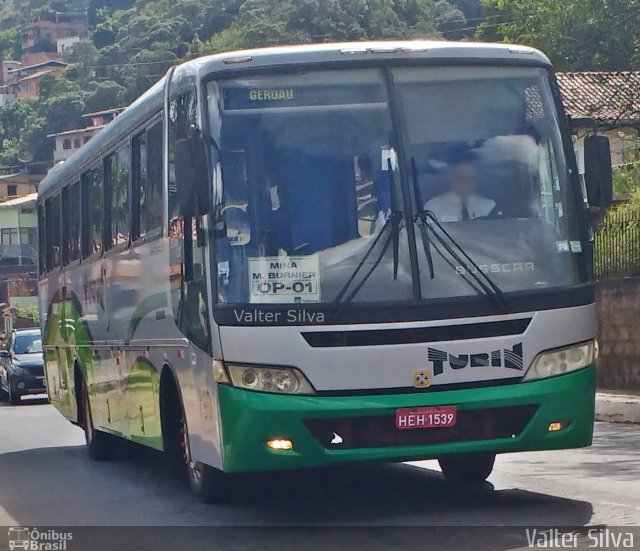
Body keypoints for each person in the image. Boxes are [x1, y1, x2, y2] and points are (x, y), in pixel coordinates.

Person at [425, 153, 496, 222]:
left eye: (470, 178)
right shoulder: (434, 207)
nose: (466, 183)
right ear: (451, 178)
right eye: (461, 178)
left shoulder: (489, 206)